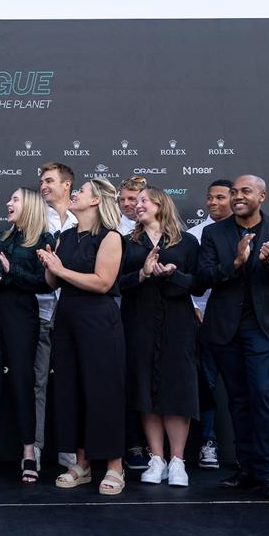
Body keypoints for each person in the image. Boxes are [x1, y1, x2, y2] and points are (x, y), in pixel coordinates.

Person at [198, 175, 269, 499]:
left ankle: (268, 473)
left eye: (245, 191)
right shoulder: (214, 233)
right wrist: (236, 262)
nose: (237, 196)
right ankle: (246, 469)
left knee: (263, 396)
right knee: (238, 401)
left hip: (263, 328)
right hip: (225, 328)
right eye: (234, 192)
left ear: (262, 196)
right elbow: (203, 277)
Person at [39, 178, 127, 495]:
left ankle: (115, 467)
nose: (74, 194)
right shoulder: (65, 236)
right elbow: (51, 282)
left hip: (99, 321)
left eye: (81, 191)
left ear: (95, 201)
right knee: (71, 390)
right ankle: (82, 464)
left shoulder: (111, 237)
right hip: (68, 320)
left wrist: (60, 271)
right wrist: (50, 264)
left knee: (104, 391)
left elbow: (103, 282)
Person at [0, 187, 54, 484]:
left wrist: (10, 269)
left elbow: (46, 283)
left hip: (21, 315)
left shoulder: (44, 239)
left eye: (14, 199)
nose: (8, 202)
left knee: (22, 381)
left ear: (29, 205)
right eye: (10, 198)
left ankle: (28, 453)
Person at [119, 186, 202, 487]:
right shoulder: (128, 242)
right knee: (145, 388)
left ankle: (178, 461)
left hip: (178, 323)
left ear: (159, 204)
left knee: (177, 388)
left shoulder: (188, 241)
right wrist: (142, 273)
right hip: (138, 321)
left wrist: (171, 274)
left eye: (143, 201)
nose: (136, 205)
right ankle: (157, 458)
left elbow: (200, 284)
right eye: (134, 202)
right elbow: (115, 283)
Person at [187, 179, 233, 470]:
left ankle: (250, 452)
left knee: (248, 389)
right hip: (204, 325)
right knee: (206, 385)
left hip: (242, 324)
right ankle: (208, 443)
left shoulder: (253, 233)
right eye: (209, 197)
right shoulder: (193, 236)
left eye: (219, 197)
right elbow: (187, 278)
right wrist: (193, 308)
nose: (212, 202)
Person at [37, 162, 78, 471]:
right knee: (37, 384)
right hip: (39, 312)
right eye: (42, 181)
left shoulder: (87, 218)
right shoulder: (36, 219)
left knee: (74, 384)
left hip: (76, 314)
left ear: (67, 185)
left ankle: (72, 450)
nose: (44, 186)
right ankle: (35, 449)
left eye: (50, 180)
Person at [116, 175, 151, 471]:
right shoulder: (114, 231)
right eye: (124, 199)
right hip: (118, 315)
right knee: (126, 380)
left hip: (153, 316)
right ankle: (131, 444)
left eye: (135, 199)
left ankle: (156, 447)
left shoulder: (166, 232)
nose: (129, 205)